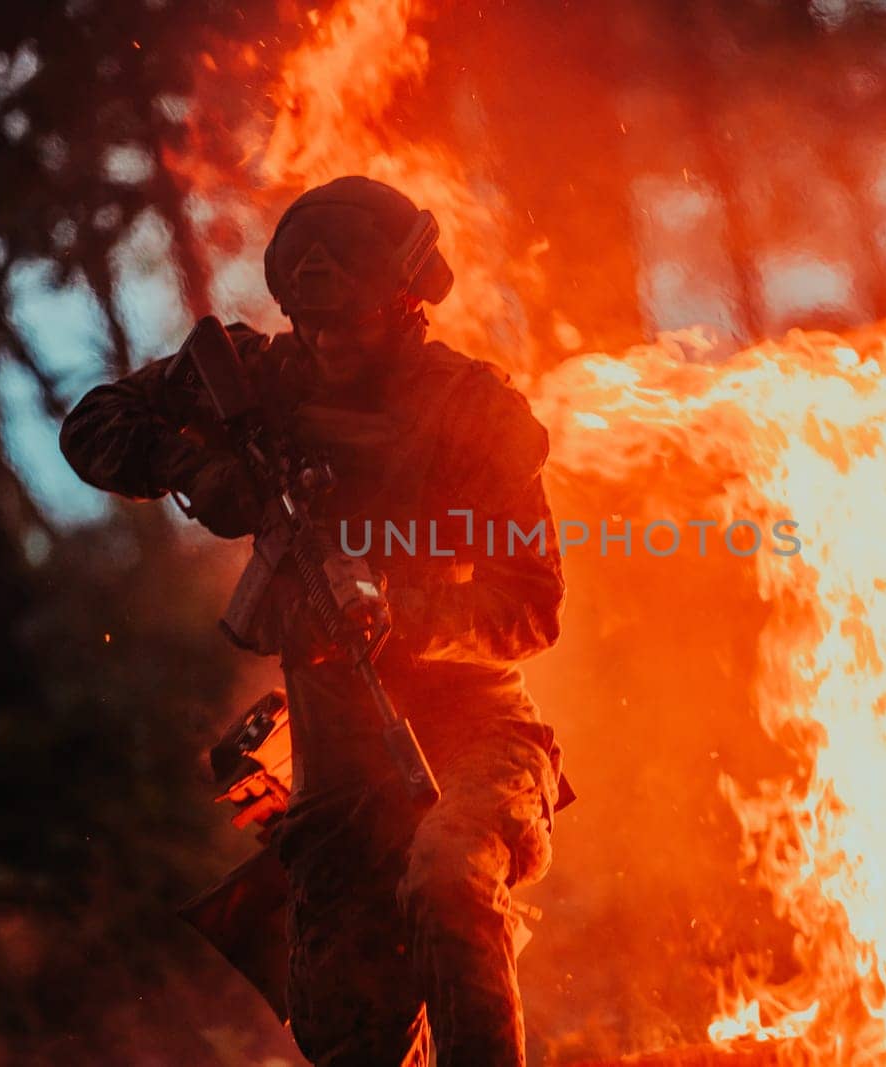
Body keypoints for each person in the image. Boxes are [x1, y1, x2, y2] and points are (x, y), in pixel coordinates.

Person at [59, 176, 569, 1066]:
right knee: (348, 1031)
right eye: (314, 323)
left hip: (475, 730)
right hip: (335, 755)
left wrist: (400, 608)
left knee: (450, 879)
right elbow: (94, 423)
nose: (331, 344)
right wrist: (196, 468)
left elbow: (531, 603)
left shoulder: (469, 410)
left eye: (354, 323)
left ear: (407, 301)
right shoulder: (255, 377)